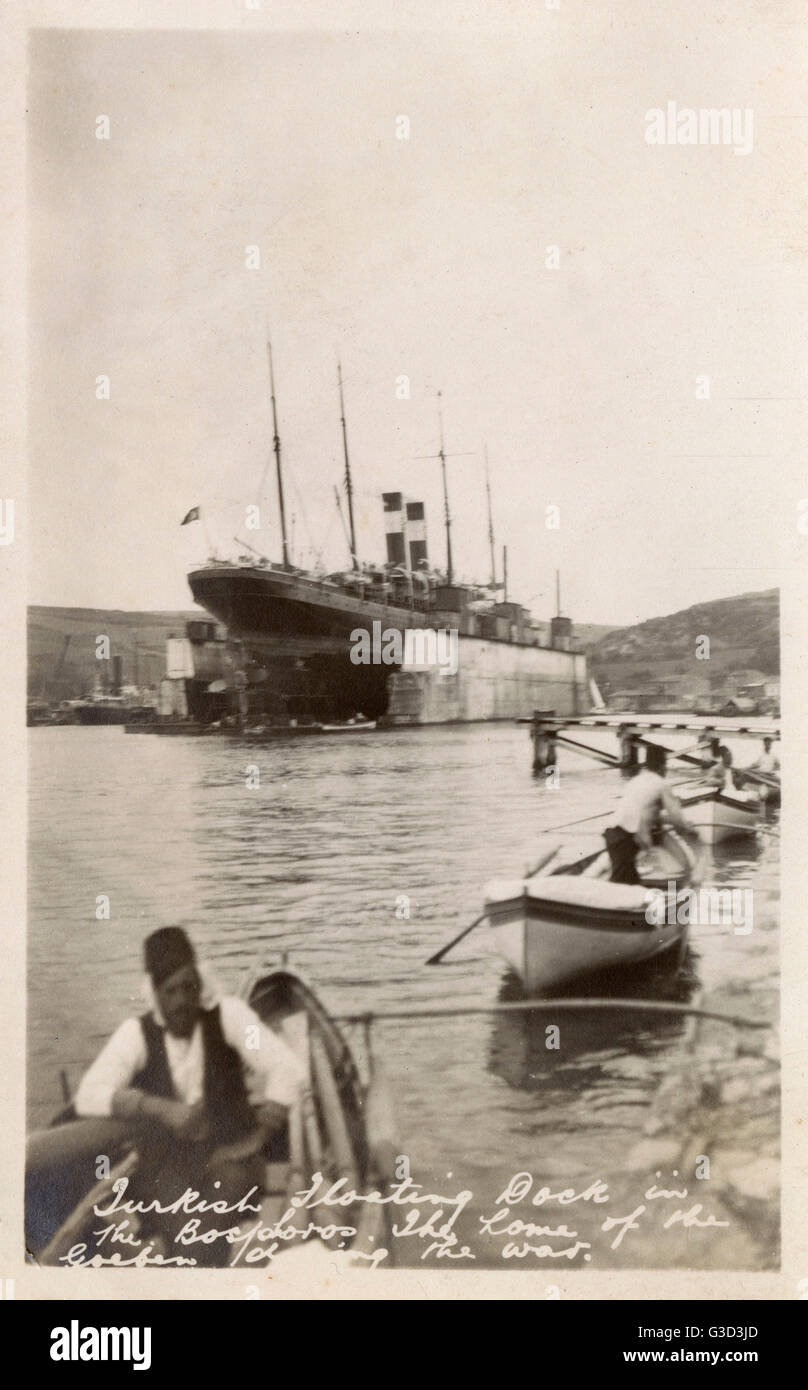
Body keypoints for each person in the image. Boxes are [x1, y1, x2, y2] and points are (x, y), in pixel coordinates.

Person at [74, 927, 307, 1263]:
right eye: (170, 991)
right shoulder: (136, 1035)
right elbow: (88, 1095)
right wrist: (156, 1107)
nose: (182, 1001)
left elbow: (287, 1068)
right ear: (154, 992)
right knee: (187, 1227)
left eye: (188, 986)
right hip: (164, 1167)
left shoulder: (229, 1017)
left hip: (231, 1160)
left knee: (200, 1228)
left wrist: (259, 1137)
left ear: (199, 982)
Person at [604, 743, 693, 884]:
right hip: (627, 837)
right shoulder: (662, 785)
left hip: (612, 834)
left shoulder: (635, 781)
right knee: (622, 885)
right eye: (666, 765)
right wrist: (688, 829)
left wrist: (678, 823)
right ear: (662, 766)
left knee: (627, 882)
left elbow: (648, 815)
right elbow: (678, 823)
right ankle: (684, 878)